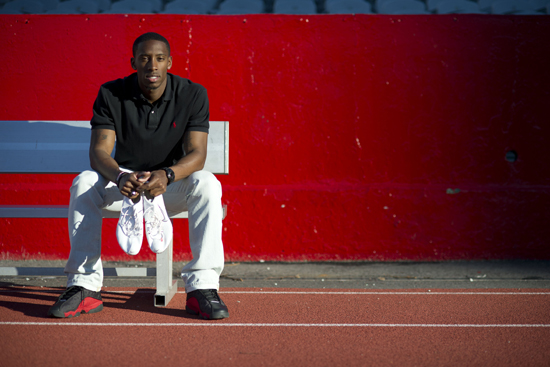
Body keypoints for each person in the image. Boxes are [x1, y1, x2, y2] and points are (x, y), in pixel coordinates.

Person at [47, 32, 229, 320]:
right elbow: (99, 153)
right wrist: (119, 177)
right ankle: (84, 286)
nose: (152, 65)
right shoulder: (110, 93)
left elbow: (197, 154)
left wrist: (167, 175)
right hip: (125, 187)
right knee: (83, 182)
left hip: (169, 186)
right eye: (144, 58)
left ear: (169, 62)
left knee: (207, 183)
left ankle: (202, 288)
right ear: (133, 62)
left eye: (159, 58)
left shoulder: (193, 94)